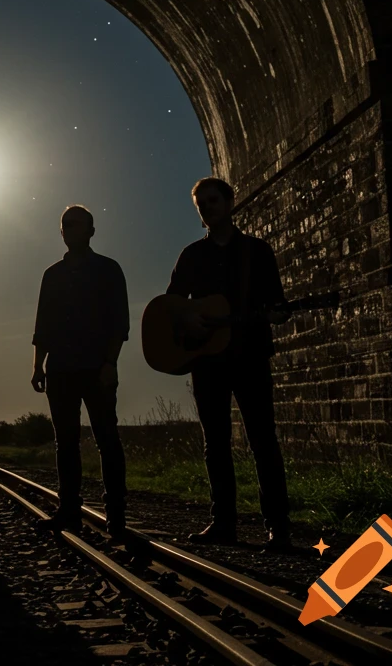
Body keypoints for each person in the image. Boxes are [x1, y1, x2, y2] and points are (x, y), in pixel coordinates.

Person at [167, 176, 292, 552]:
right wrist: (188, 318)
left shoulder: (258, 252)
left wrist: (276, 315)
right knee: (215, 444)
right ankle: (223, 524)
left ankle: (278, 527)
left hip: (250, 356)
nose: (207, 208)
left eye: (213, 201)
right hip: (207, 360)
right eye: (201, 204)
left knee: (263, 440)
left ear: (229, 202)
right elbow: (171, 302)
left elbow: (277, 304)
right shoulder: (191, 255)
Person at [31, 205, 129, 538]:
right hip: (60, 369)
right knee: (66, 443)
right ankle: (69, 510)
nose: (71, 230)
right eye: (66, 225)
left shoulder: (108, 270)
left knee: (107, 439)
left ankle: (116, 515)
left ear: (91, 231)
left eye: (77, 225)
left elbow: (119, 323)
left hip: (97, 368)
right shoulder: (52, 275)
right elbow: (42, 325)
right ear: (62, 232)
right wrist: (37, 365)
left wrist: (110, 363)